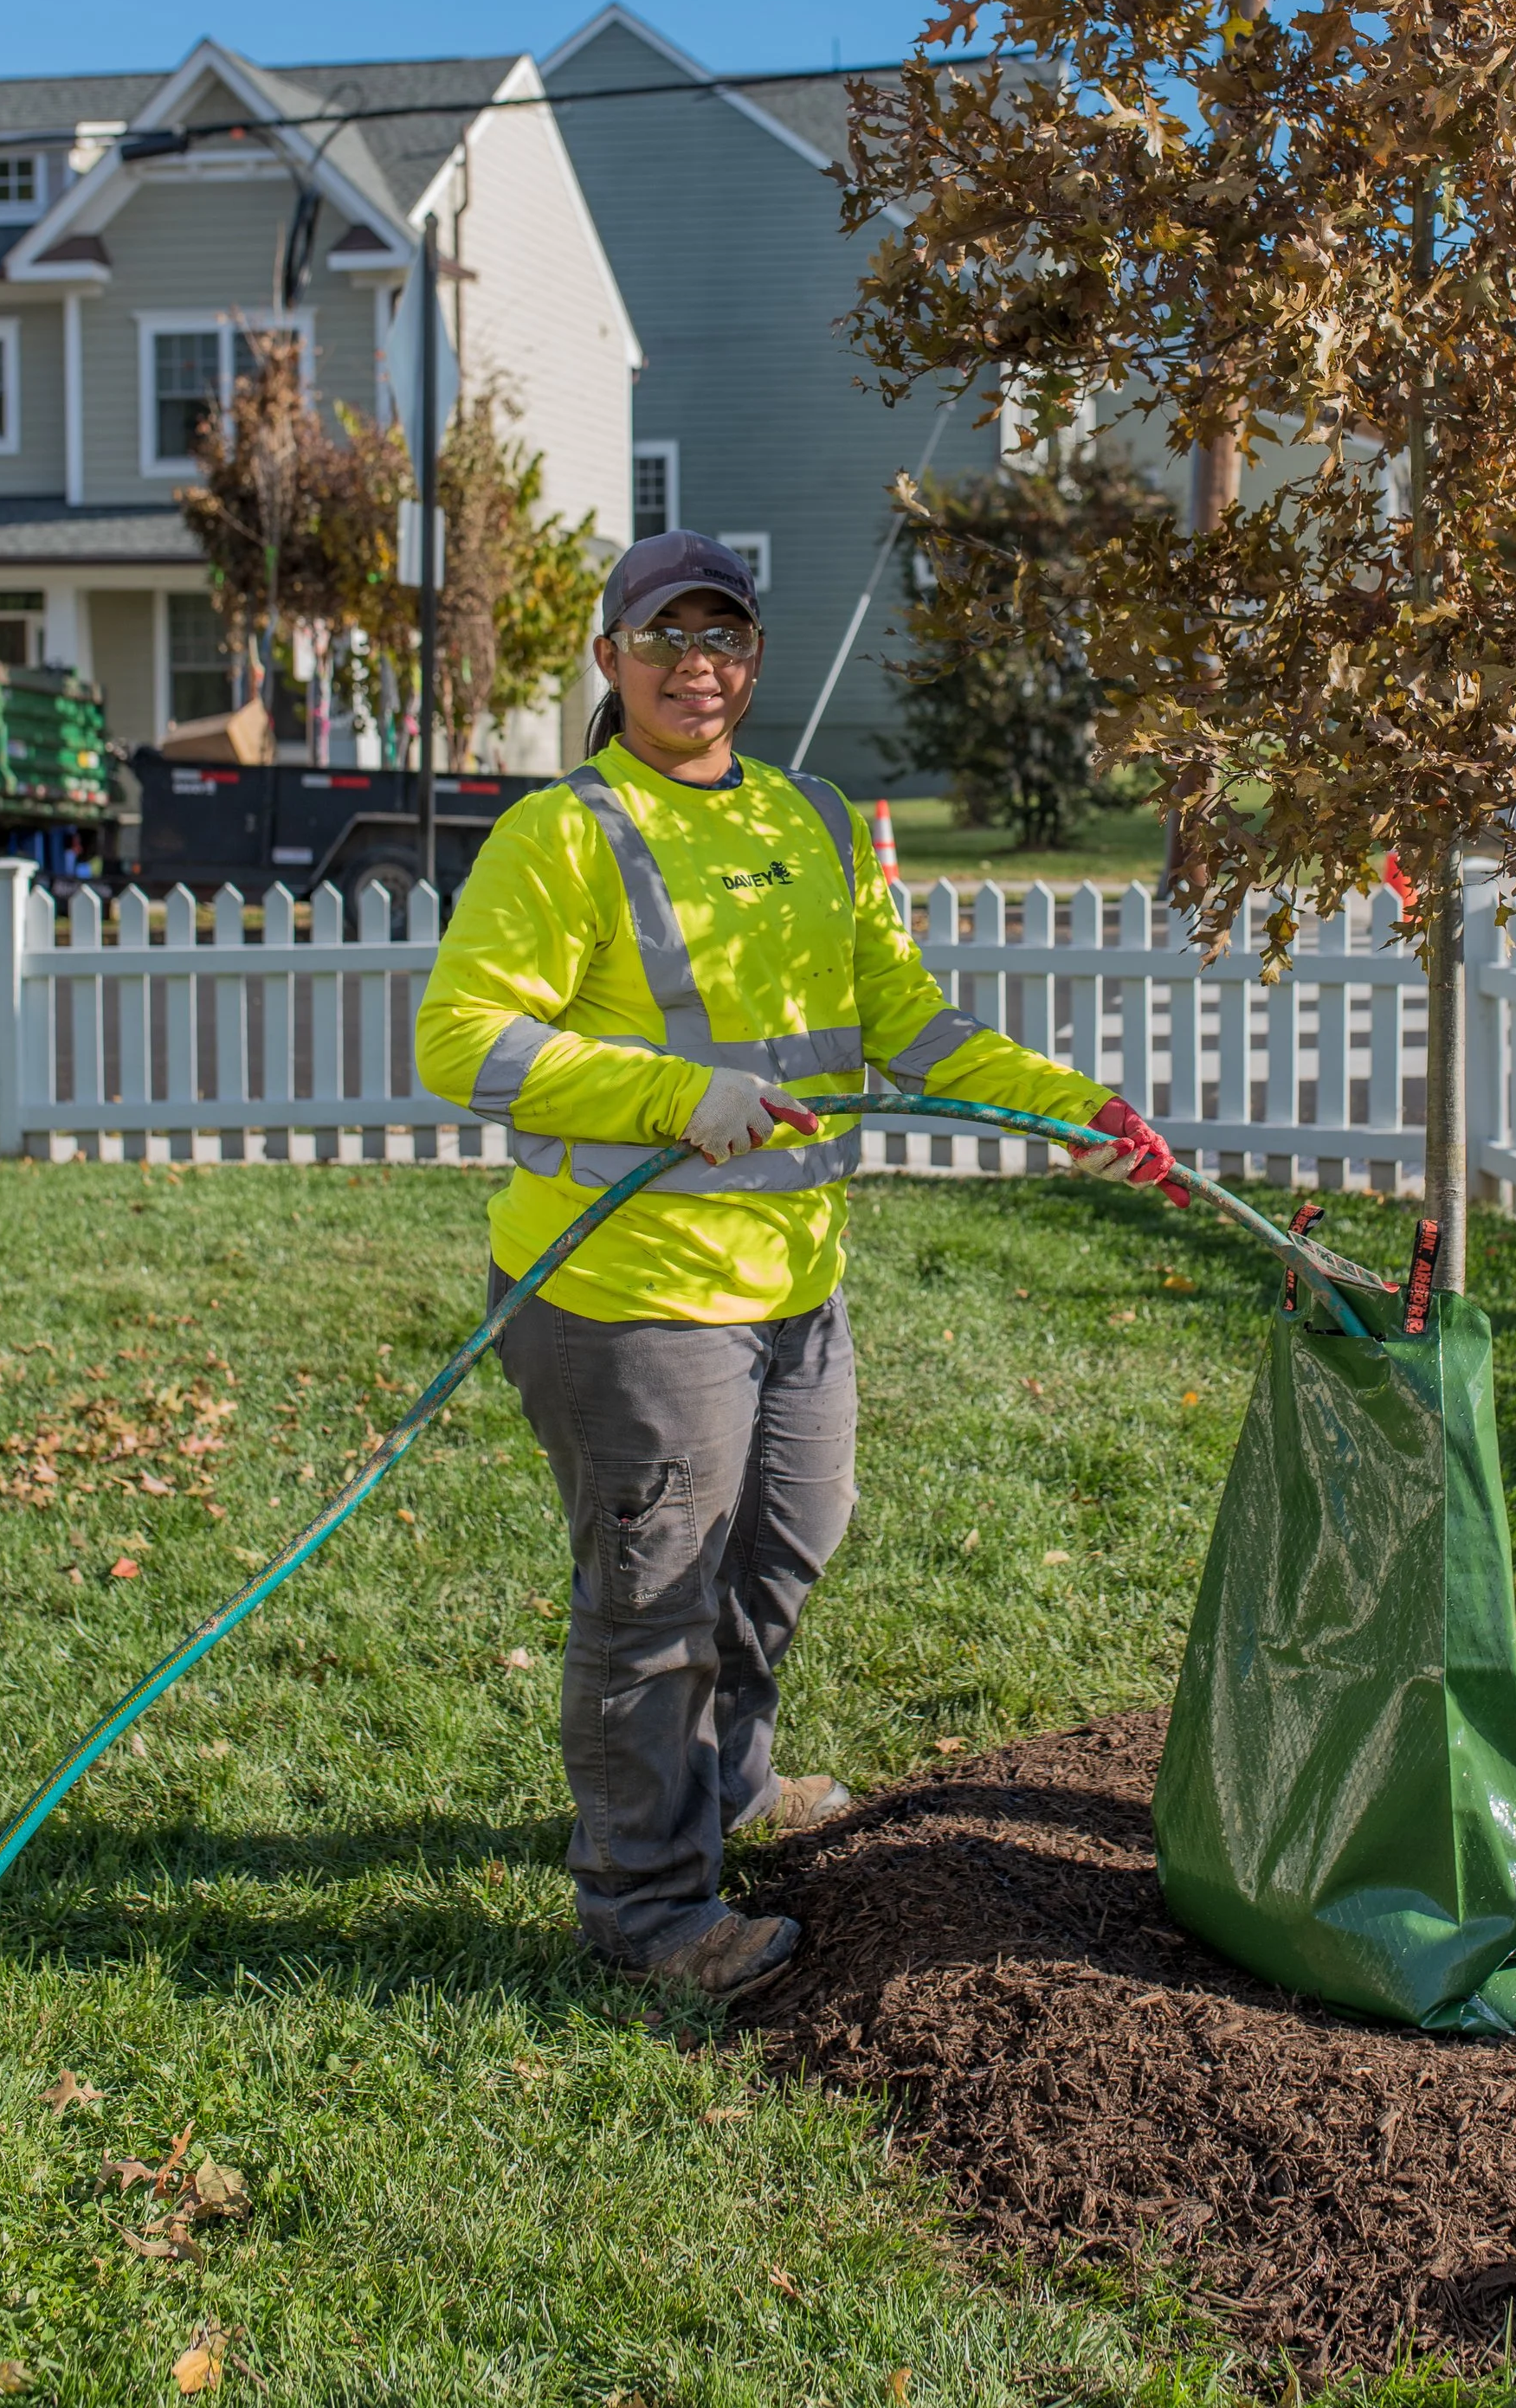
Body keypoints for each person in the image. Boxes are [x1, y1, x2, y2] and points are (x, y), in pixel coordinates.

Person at [416, 529, 1182, 1999]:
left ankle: (735, 1789)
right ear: (610, 660)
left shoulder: (817, 820)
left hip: (791, 1280)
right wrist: (672, 1094)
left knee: (781, 1551)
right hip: (625, 1294)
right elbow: (465, 1041)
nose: (695, 666)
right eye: (665, 640)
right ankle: (650, 1909)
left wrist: (1066, 1104)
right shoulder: (565, 833)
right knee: (657, 1600)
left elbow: (905, 1017)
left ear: (753, 659)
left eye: (723, 639)